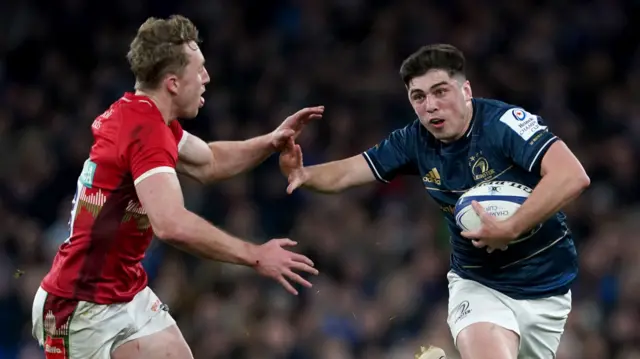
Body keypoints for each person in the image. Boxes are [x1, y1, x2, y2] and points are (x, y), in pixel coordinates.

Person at [31, 15, 323, 359]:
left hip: (125, 292)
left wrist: (270, 142)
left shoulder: (148, 118)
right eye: (199, 69)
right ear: (172, 82)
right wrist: (254, 255)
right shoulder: (145, 131)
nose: (206, 78)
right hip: (78, 308)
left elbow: (210, 161)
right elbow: (171, 224)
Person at [279, 44, 590, 359]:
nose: (430, 106)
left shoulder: (504, 124)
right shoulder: (414, 140)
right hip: (478, 284)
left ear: (465, 90)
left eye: (440, 92)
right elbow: (348, 172)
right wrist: (303, 173)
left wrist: (512, 226)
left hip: (546, 289)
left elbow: (572, 175)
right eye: (419, 97)